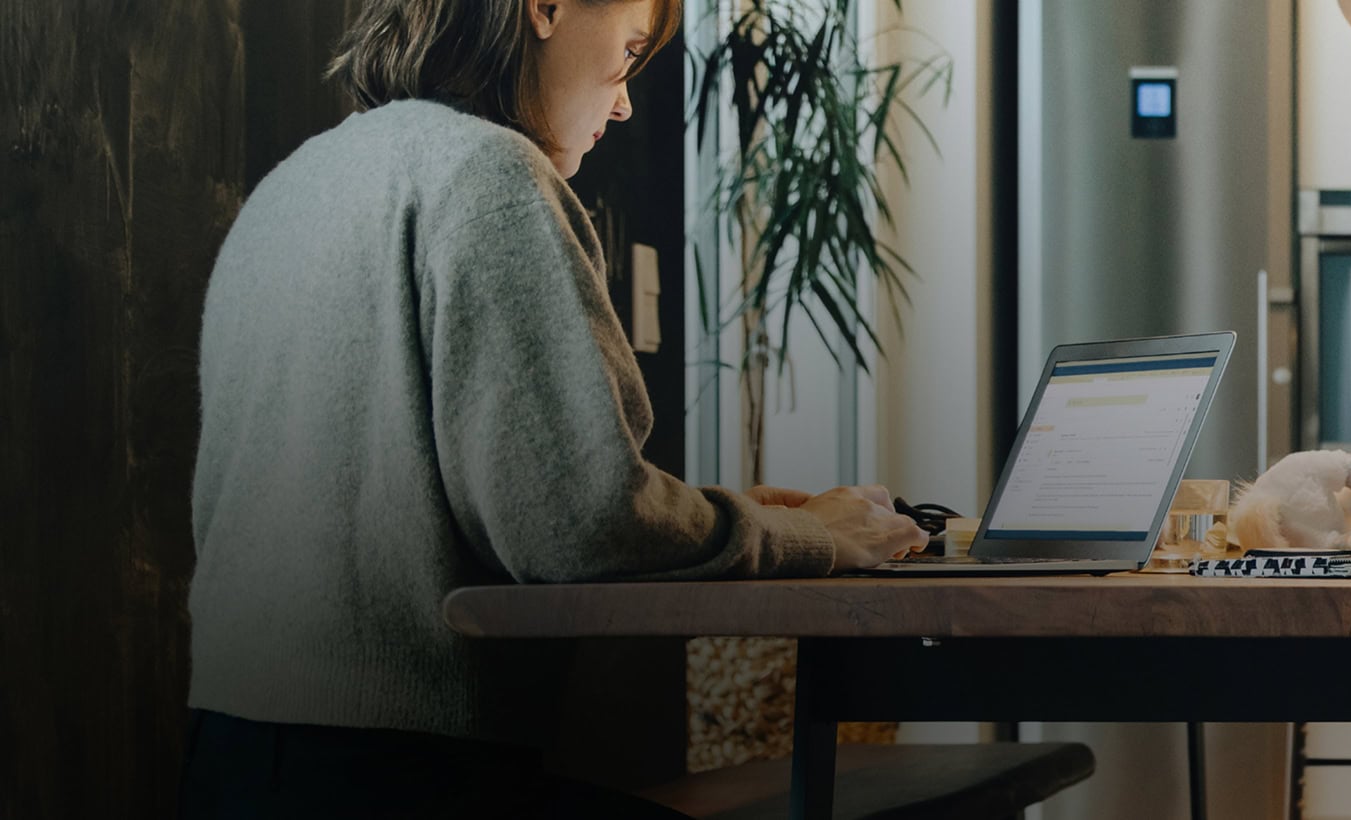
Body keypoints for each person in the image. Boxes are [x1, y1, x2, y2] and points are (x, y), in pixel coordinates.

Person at [180, 0, 926, 816]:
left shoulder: (293, 186)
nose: (626, 99)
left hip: (231, 759)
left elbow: (423, 498)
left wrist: (719, 513)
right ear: (546, 8)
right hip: (396, 777)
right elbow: (580, 525)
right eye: (630, 50)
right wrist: (812, 536)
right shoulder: (490, 173)